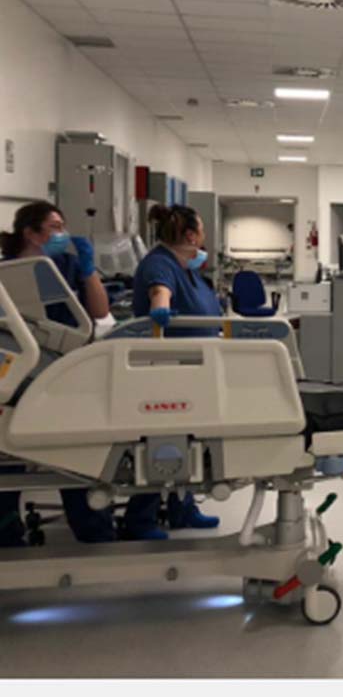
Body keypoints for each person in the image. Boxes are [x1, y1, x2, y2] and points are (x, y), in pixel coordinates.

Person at [0, 201, 118, 546]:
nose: (62, 233)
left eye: (63, 226)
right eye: (55, 227)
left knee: (77, 452)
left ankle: (94, 528)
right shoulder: (7, 273)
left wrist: (89, 271)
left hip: (67, 369)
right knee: (8, 450)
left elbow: (100, 311)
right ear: (31, 233)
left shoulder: (67, 266)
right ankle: (7, 530)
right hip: (18, 371)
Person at [122, 204, 223, 538]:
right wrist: (160, 309)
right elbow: (159, 291)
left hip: (192, 369)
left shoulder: (186, 267)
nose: (205, 238)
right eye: (202, 231)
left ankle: (183, 509)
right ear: (191, 236)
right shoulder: (161, 264)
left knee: (190, 440)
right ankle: (140, 519)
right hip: (167, 370)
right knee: (163, 443)